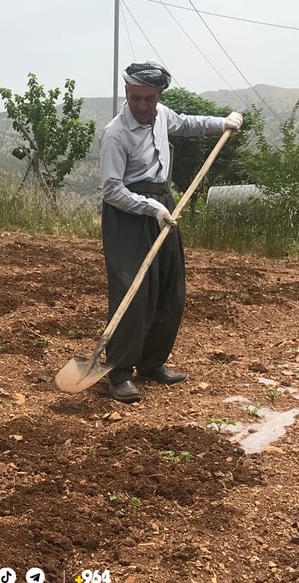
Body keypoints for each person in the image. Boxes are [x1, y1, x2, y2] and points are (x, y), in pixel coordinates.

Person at [98, 61, 242, 404]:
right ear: (126, 93)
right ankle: (119, 372)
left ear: (159, 95)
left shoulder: (162, 114)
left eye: (149, 98)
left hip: (163, 202)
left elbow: (187, 124)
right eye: (135, 98)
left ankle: (152, 363)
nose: (142, 106)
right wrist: (151, 208)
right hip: (128, 215)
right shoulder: (116, 134)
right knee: (133, 292)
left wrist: (221, 123)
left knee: (169, 289)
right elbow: (111, 189)